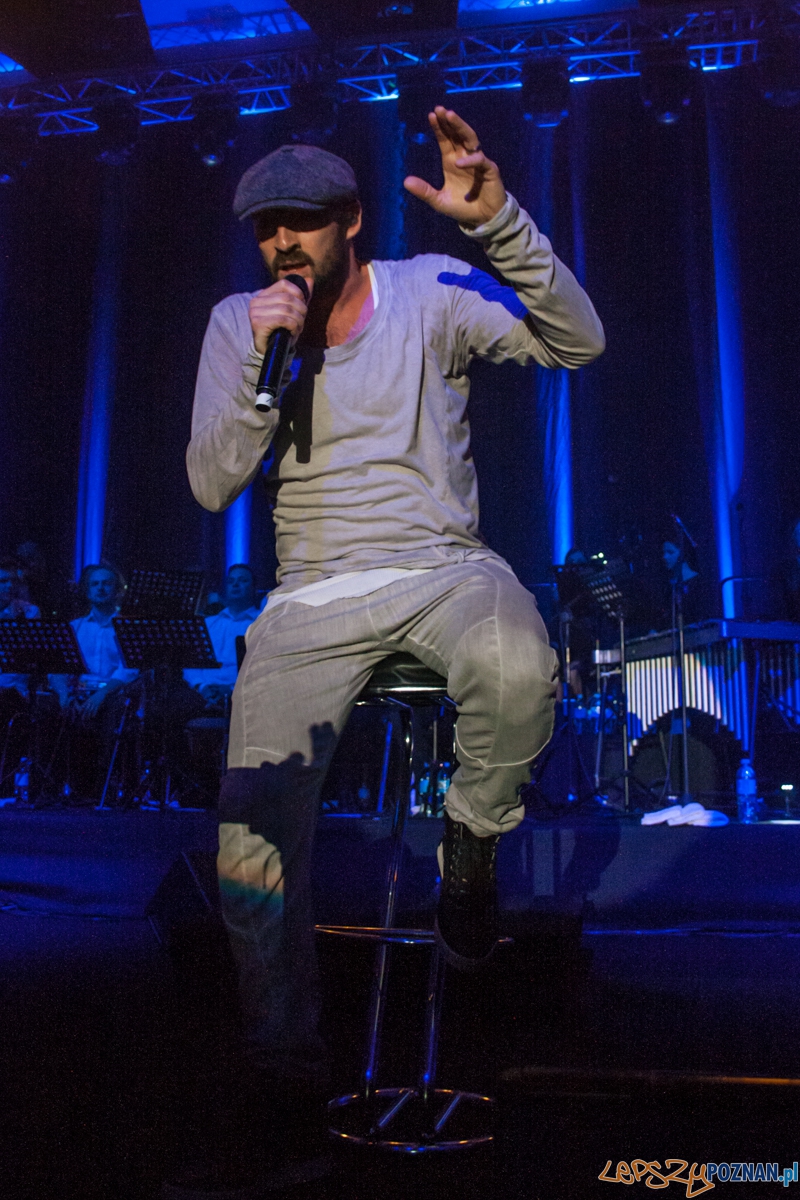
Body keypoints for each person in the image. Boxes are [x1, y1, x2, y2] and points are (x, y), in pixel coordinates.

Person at [182, 106, 604, 1194]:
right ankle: (283, 1064)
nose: (284, 244)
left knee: (516, 658)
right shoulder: (242, 323)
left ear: (351, 222)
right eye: (267, 227)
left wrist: (499, 221)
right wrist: (254, 379)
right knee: (248, 843)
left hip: (439, 565)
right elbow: (211, 482)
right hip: (309, 595)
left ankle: (469, 851)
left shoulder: (427, 292)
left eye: (305, 224)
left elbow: (578, 341)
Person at [50, 565, 139, 797]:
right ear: (87, 591)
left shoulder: (128, 626)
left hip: (113, 693)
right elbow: (57, 666)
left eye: (107, 583)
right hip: (77, 691)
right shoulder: (74, 626)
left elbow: (129, 669)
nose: (100, 588)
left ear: (118, 590)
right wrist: (63, 694)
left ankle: (104, 786)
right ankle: (53, 787)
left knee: (114, 710)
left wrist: (102, 694)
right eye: (95, 584)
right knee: (47, 709)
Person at [184, 564, 262, 706]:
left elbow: (263, 669)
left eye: (243, 580)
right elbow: (190, 662)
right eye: (230, 581)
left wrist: (231, 689)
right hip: (202, 693)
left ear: (254, 588)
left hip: (246, 695)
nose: (236, 585)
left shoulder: (263, 622)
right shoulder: (207, 623)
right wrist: (202, 686)